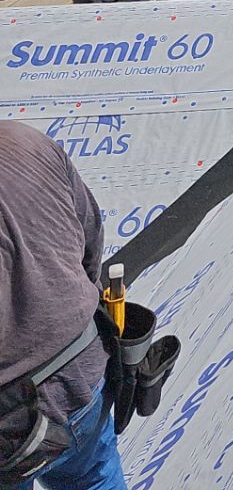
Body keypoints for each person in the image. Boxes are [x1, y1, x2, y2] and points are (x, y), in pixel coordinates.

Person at [0, 122, 124, 490]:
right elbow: (90, 242)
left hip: (11, 418)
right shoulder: (27, 142)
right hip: (82, 373)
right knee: (94, 477)